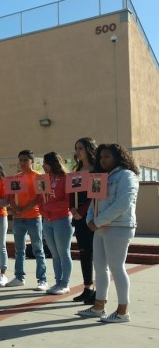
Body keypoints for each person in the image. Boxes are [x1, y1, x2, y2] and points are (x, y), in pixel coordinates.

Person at [78, 144, 139, 323]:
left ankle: (122, 311)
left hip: (119, 227)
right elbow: (93, 202)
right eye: (101, 157)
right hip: (100, 228)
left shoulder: (127, 176)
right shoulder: (101, 177)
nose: (103, 160)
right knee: (100, 268)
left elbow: (123, 203)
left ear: (118, 158)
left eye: (107, 157)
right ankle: (98, 306)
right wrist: (90, 220)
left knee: (117, 268)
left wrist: (97, 221)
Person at [6, 150, 49, 291]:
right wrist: (15, 208)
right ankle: (19, 277)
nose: (23, 163)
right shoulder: (15, 178)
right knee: (19, 250)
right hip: (18, 219)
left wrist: (23, 209)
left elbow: (38, 199)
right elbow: (11, 198)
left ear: (32, 161)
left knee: (38, 249)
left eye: (25, 160)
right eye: (21, 160)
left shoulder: (38, 177)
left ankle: (42, 280)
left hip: (34, 218)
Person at [40, 152, 74, 295]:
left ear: (53, 163)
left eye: (45, 163)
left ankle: (65, 283)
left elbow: (67, 201)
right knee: (54, 254)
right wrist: (43, 211)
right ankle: (58, 282)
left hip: (62, 220)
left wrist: (49, 207)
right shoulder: (43, 179)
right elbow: (40, 198)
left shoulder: (65, 179)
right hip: (47, 221)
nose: (43, 166)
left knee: (63, 252)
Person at [71, 137, 98, 304]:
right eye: (76, 148)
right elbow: (71, 193)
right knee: (84, 253)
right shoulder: (76, 171)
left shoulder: (97, 170)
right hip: (78, 218)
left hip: (92, 217)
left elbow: (95, 195)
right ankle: (87, 288)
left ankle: (99, 291)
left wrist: (81, 211)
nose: (78, 151)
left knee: (96, 254)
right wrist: (72, 210)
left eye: (80, 148)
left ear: (89, 149)